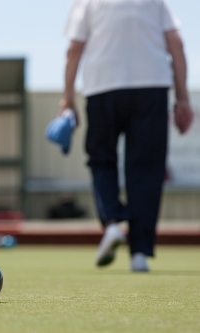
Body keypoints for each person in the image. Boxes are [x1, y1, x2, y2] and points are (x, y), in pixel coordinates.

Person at [63, 0, 193, 272]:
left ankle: (112, 223)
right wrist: (182, 100)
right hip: (152, 86)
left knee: (101, 159)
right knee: (146, 169)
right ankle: (140, 253)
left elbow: (74, 48)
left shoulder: (87, 2)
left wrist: (68, 100)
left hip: (102, 87)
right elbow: (176, 43)